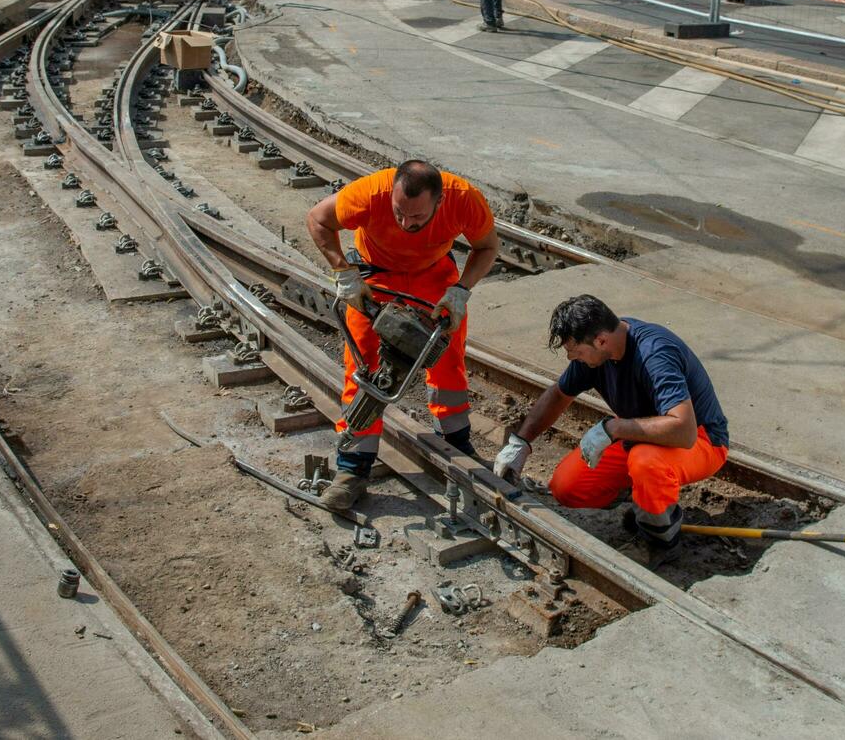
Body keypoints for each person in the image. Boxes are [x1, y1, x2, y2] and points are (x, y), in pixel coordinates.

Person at [306, 160, 501, 510]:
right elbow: (318, 219)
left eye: (416, 217)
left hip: (434, 279)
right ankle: (352, 468)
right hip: (376, 278)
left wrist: (461, 291)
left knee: (448, 361)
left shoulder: (463, 199)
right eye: (399, 213)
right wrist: (344, 273)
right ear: (392, 194)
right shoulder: (369, 193)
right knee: (363, 367)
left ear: (439, 202)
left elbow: (487, 246)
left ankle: (455, 444)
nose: (405, 223)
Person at [494, 295, 729, 563]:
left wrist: (613, 427)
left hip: (702, 440)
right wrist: (520, 442)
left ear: (601, 340)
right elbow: (559, 394)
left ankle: (657, 541)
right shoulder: (597, 354)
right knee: (567, 487)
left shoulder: (654, 353)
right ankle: (647, 499)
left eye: (576, 351)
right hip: (640, 437)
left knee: (645, 461)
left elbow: (684, 431)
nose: (572, 358)